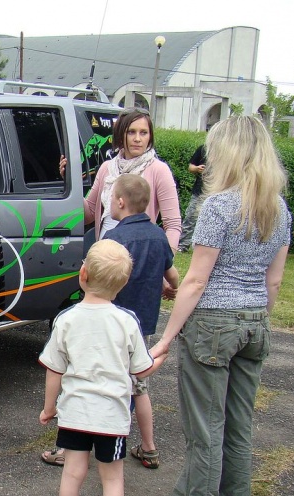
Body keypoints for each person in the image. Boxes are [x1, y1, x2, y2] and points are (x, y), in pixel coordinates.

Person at [148, 115, 290, 496]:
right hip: (254, 323)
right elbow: (275, 282)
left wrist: (167, 337)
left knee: (204, 432)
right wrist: (258, 318)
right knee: (239, 427)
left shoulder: (219, 206)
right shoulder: (279, 208)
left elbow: (195, 281)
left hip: (213, 325)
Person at [43, 106, 181, 467]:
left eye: (144, 133)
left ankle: (78, 445)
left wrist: (159, 265)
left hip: (131, 280)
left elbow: (174, 224)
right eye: (132, 132)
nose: (138, 139)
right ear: (121, 135)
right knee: (108, 370)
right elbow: (90, 211)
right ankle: (133, 445)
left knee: (109, 373)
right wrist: (63, 189)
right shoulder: (107, 169)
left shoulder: (158, 171)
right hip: (106, 276)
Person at [39, 238, 165, 496]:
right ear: (122, 284)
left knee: (72, 472)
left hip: (74, 413)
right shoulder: (126, 321)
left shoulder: (65, 319)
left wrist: (49, 407)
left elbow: (55, 369)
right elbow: (141, 369)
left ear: (83, 275)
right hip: (110, 417)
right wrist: (161, 357)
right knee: (112, 479)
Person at [103, 174, 179, 469]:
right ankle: (148, 447)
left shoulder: (114, 238)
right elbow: (172, 277)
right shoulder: (159, 235)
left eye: (111, 198)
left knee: (103, 384)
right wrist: (169, 288)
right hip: (142, 327)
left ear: (121, 202)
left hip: (113, 326)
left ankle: (71, 448)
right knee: (139, 387)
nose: (110, 203)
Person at [177, 144, 206, 252]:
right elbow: (191, 167)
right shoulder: (203, 149)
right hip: (200, 191)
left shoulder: (228, 150)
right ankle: (182, 245)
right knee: (190, 217)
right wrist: (197, 168)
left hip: (218, 191)